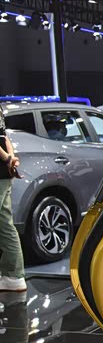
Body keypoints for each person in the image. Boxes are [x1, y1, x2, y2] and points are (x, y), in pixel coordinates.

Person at [0, 112, 25, 292]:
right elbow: (4, 136)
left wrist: (8, 158)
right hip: (4, 173)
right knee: (5, 225)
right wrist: (10, 158)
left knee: (5, 225)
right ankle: (13, 277)